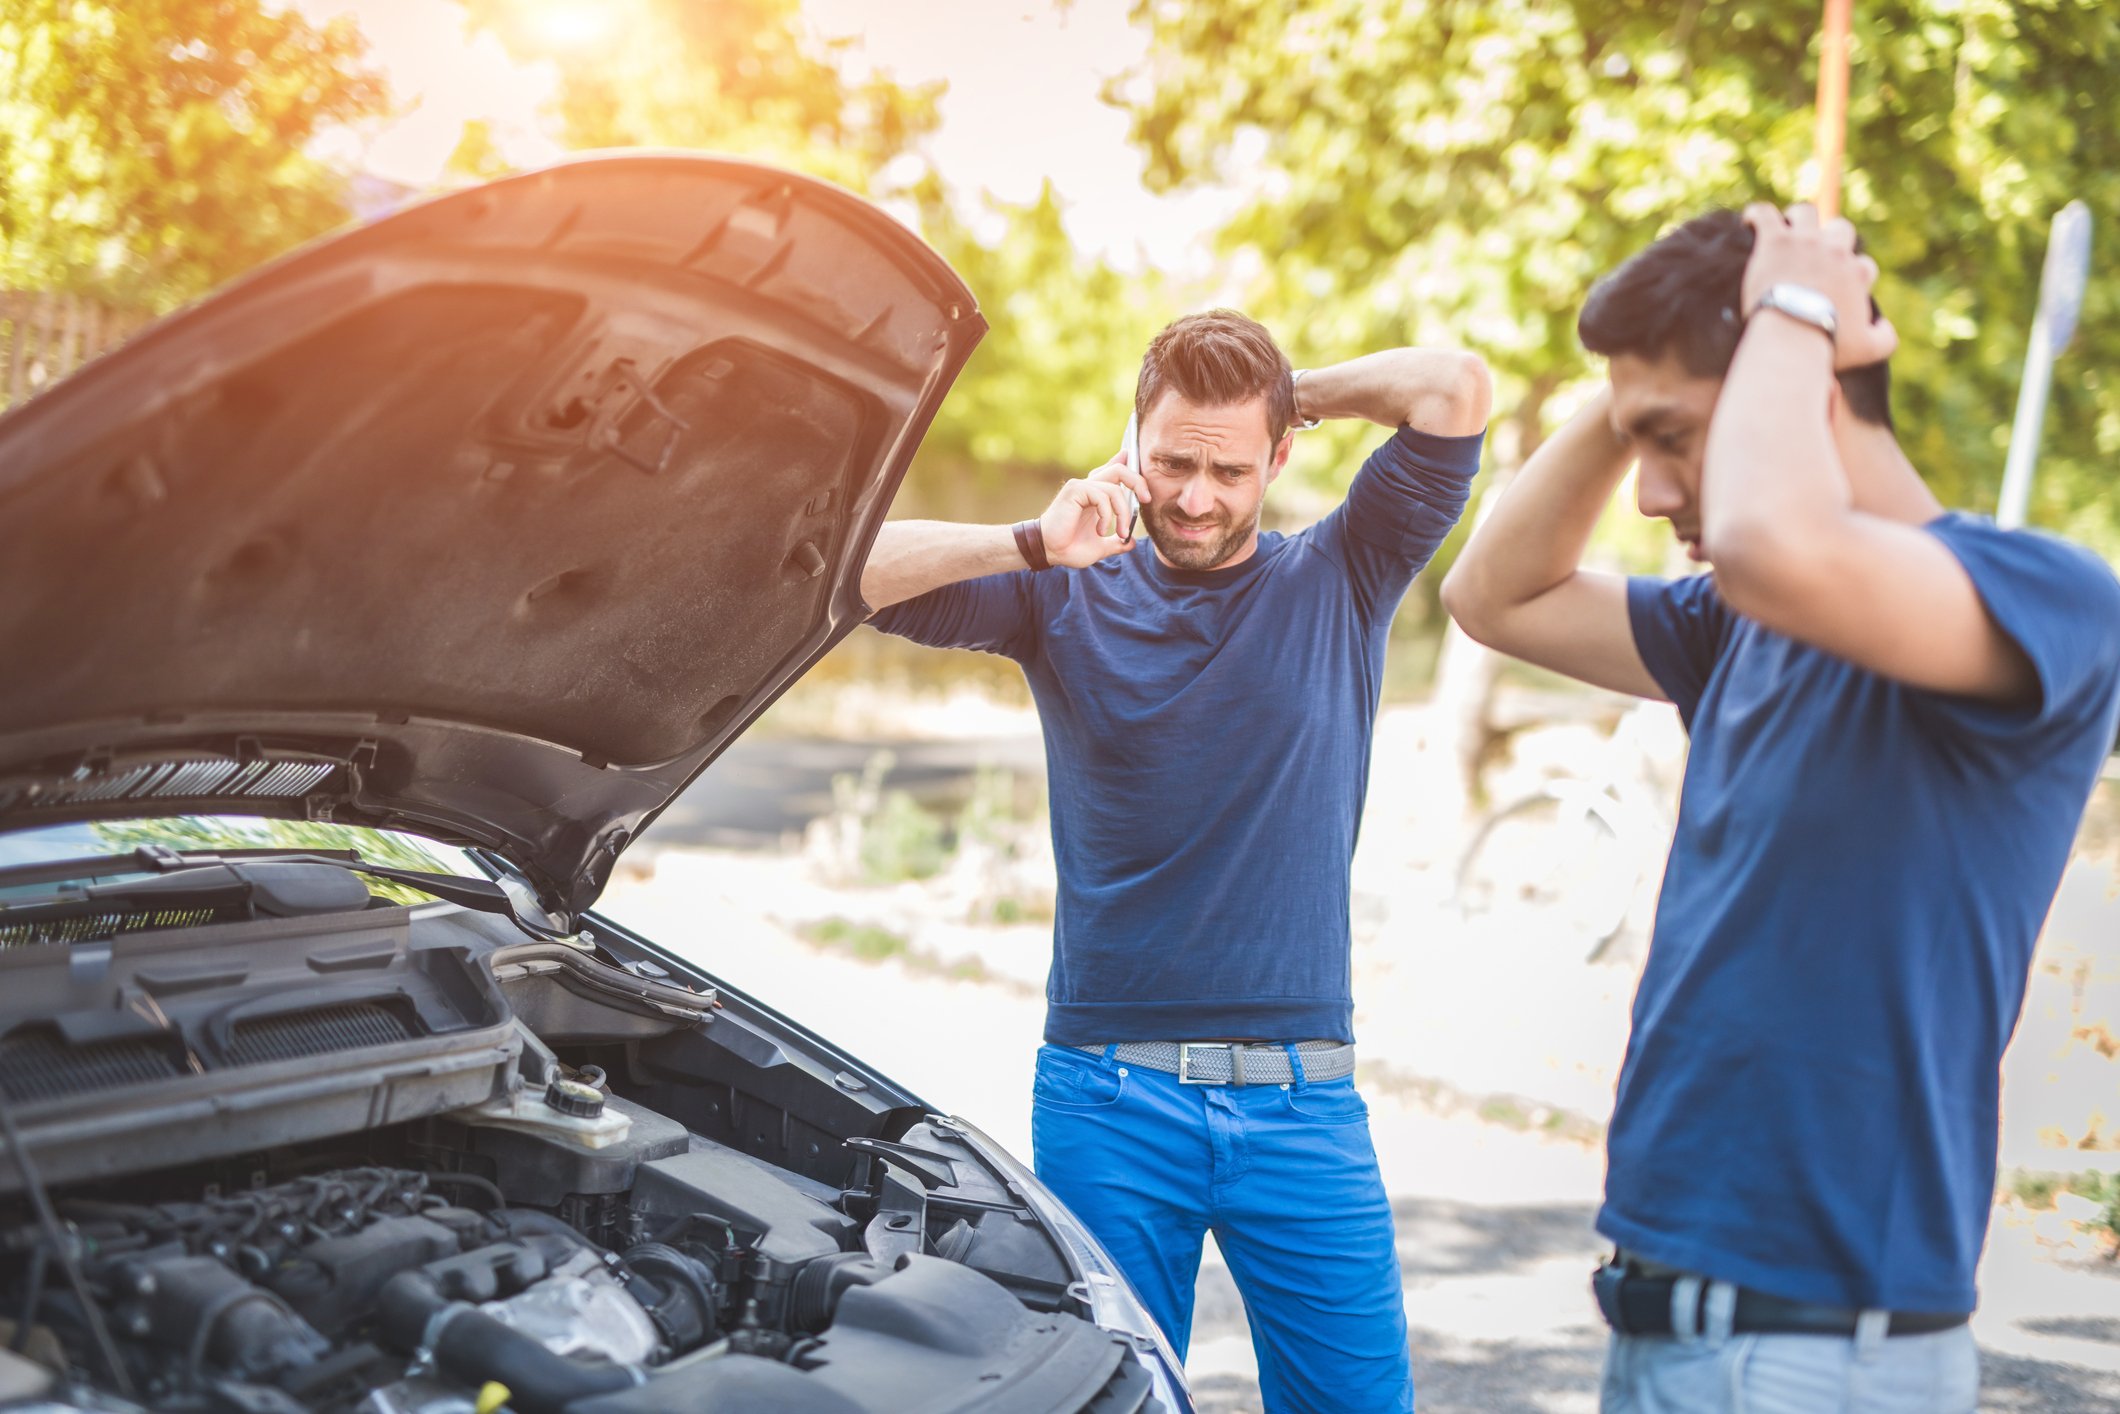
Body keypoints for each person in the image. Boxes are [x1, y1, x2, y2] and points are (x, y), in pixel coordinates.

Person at [1441, 204, 2120, 1413]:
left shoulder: (2048, 603)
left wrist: (1790, 314)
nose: (1644, 495)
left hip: (1822, 1356)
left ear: (1801, 382)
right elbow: (1494, 593)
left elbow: (1767, 535)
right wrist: (1644, 375)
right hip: (1658, 1323)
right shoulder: (1734, 626)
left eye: (1670, 438)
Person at [861, 309, 1489, 1411]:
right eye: (1172, 461)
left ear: (1280, 453)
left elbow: (1450, 389)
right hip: (1107, 1100)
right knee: (1107, 1400)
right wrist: (1026, 540)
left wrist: (1292, 383)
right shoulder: (1057, 589)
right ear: (1131, 442)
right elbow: (844, 571)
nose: (1195, 496)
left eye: (1228, 467)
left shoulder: (1344, 572)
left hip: (1304, 1106)